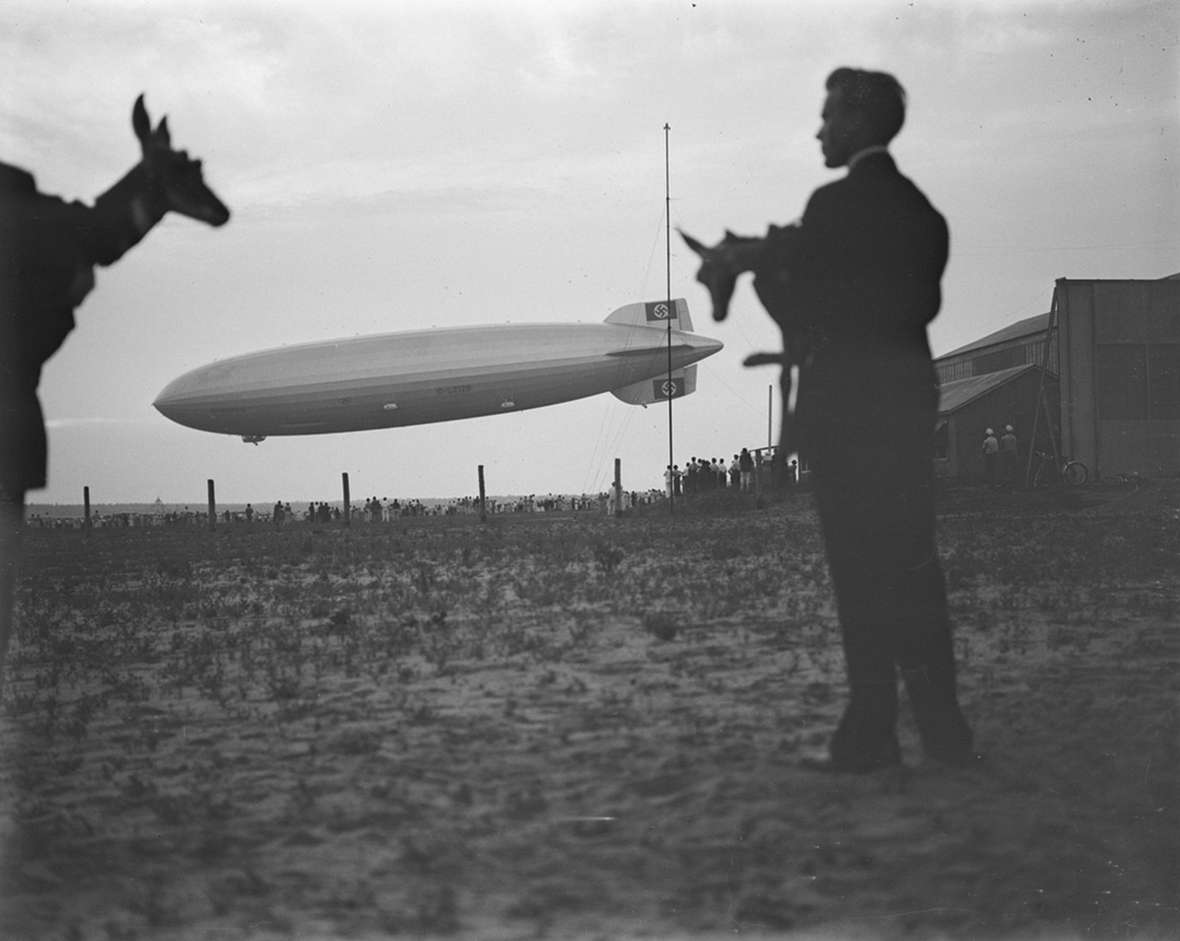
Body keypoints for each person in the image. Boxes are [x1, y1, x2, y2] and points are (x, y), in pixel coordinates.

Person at [754, 67, 974, 772]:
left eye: (826, 117)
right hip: (907, 402)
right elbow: (921, 310)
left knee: (857, 569)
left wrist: (765, 277)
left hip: (845, 409)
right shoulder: (925, 214)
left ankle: (871, 729)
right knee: (914, 561)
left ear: (853, 124)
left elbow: (808, 313)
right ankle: (945, 730)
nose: (819, 129)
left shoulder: (828, 208)